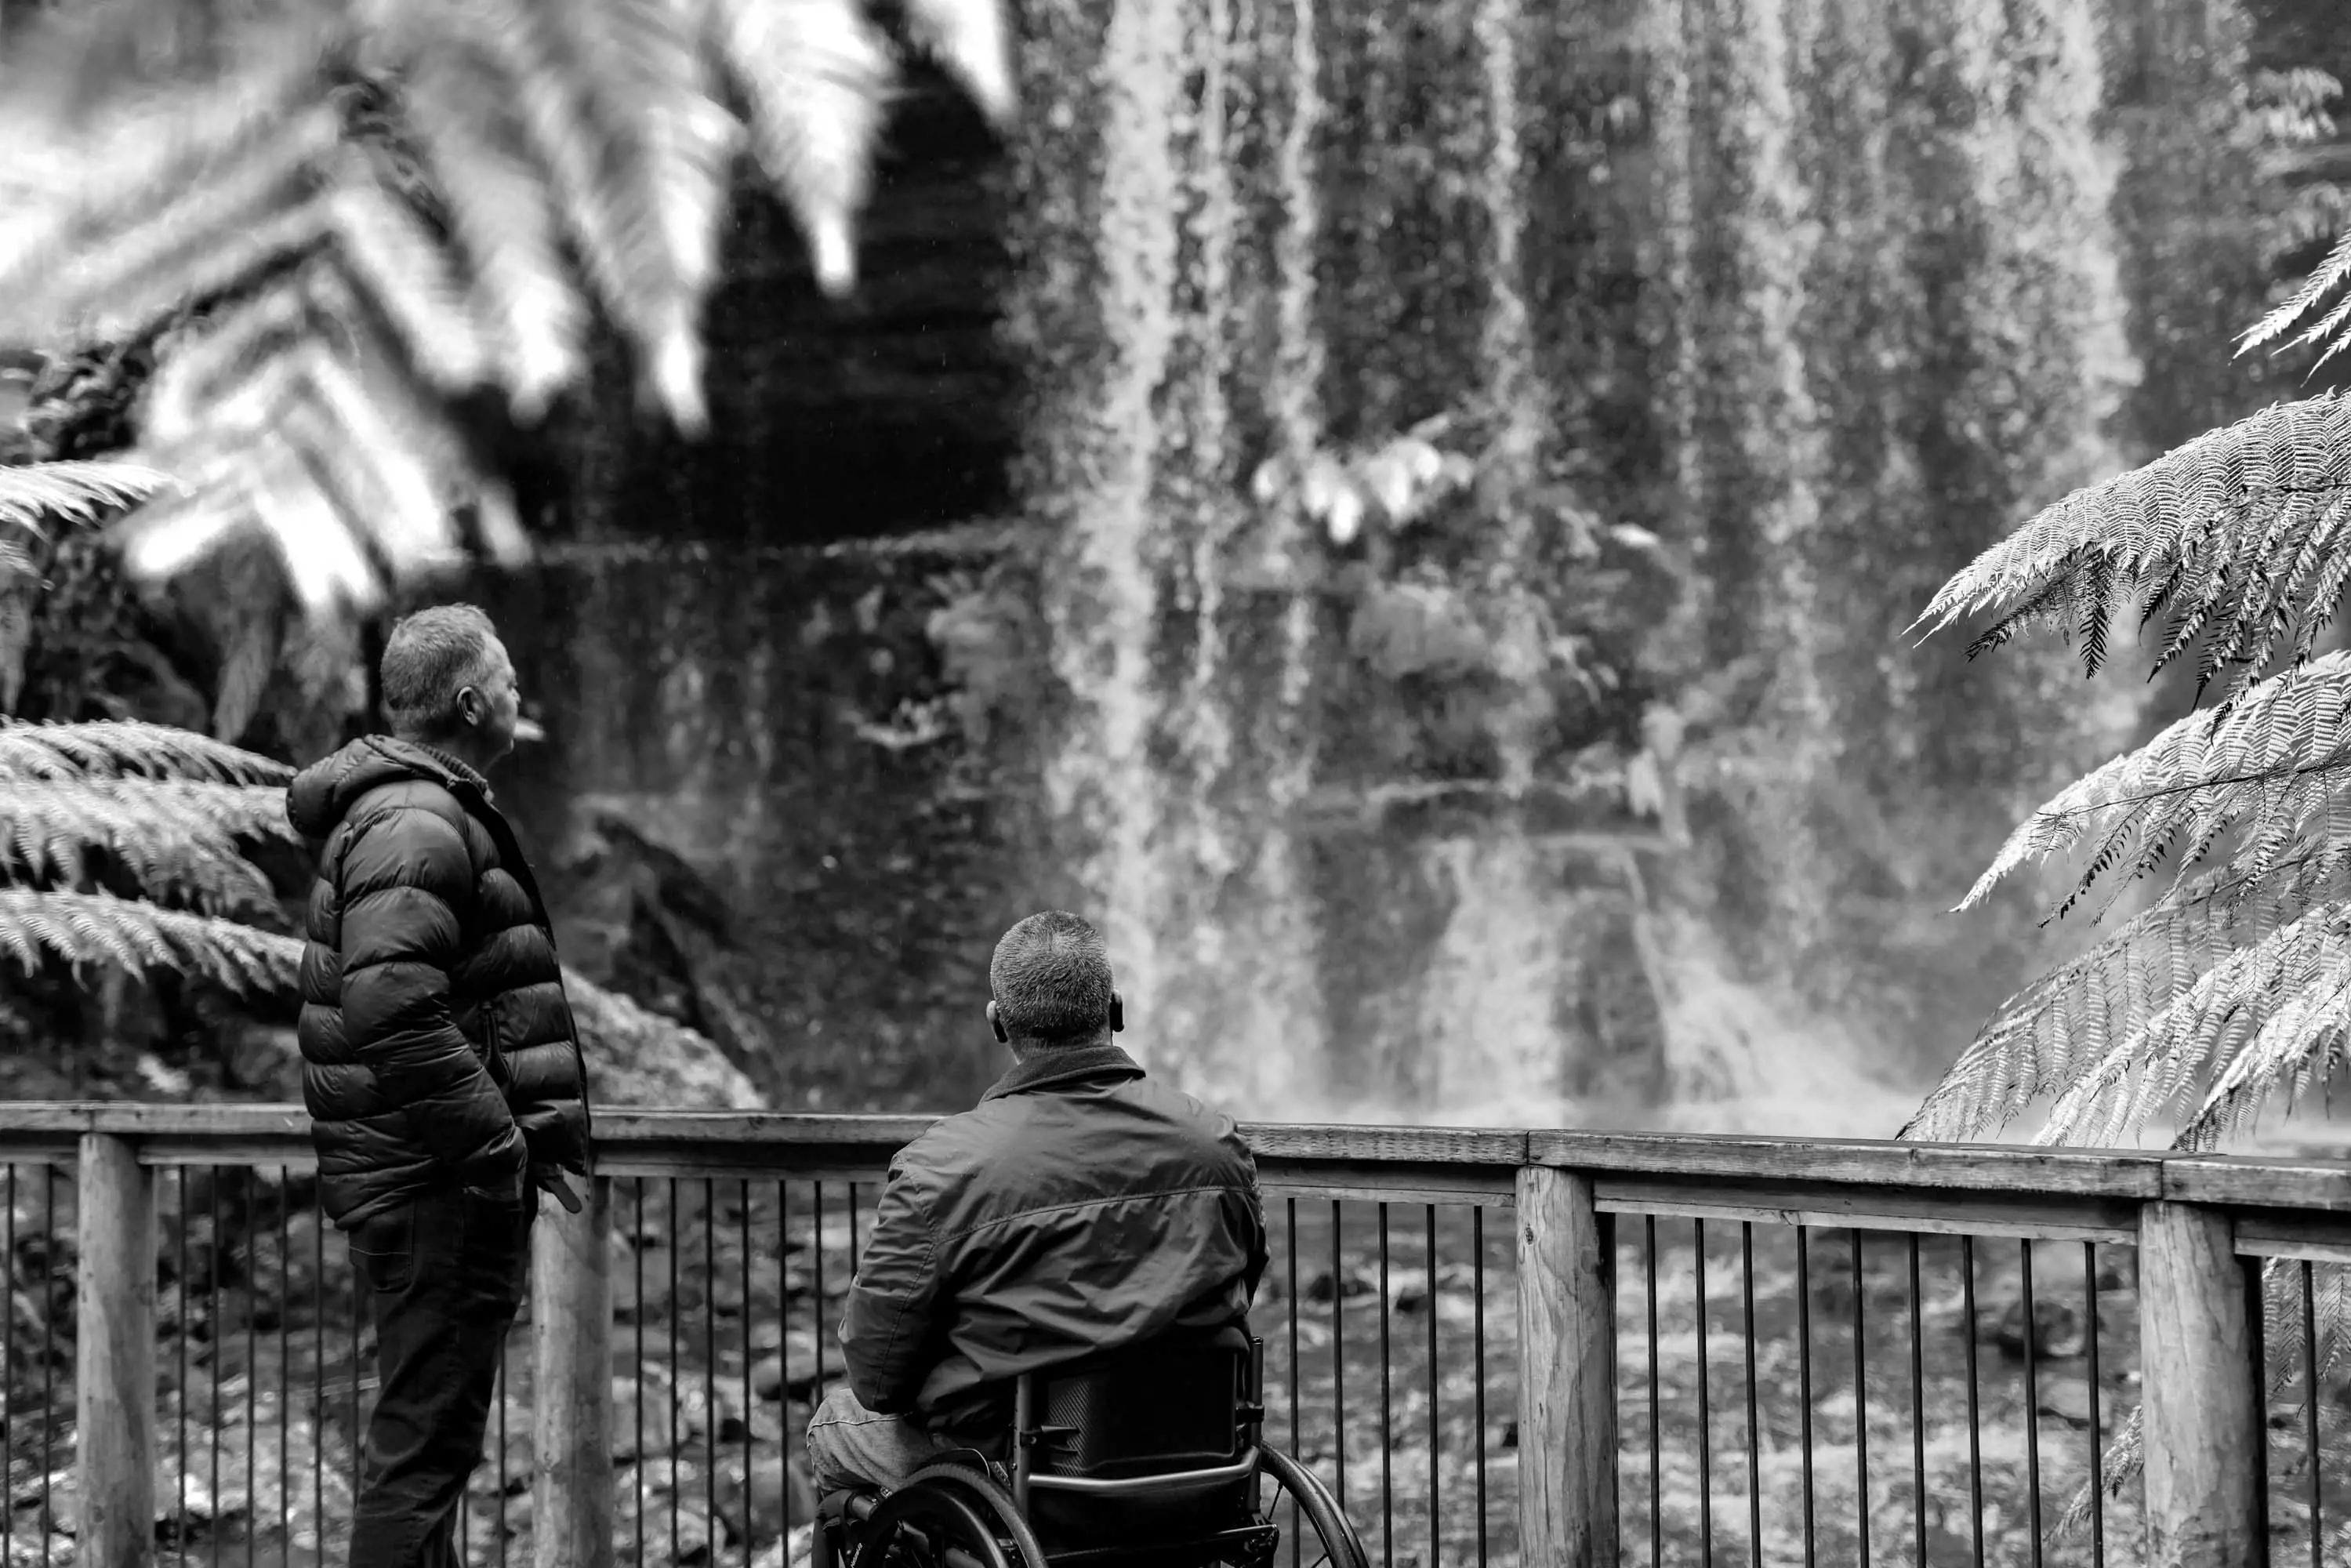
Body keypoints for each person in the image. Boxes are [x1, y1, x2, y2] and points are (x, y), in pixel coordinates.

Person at [286, 603, 592, 1568]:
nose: (518, 693)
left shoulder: (415, 808)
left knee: (430, 1453)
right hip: (437, 1182)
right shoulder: (415, 819)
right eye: (507, 679)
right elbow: (389, 1004)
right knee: (420, 1460)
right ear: (468, 700)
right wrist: (496, 1150)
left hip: (425, 1177)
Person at [807, 910, 1269, 1494]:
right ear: (1115, 1010)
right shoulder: (1216, 1144)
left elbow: (876, 1378)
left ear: (998, 1024)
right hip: (1196, 1455)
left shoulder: (940, 1168)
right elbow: (1240, 1285)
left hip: (1022, 1474)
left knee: (834, 1424)